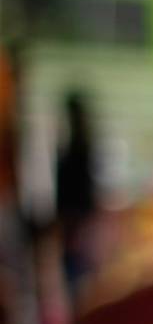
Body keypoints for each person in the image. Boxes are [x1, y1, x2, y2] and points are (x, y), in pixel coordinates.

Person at [55, 91, 99, 307]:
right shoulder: (79, 149)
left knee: (77, 278)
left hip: (77, 222)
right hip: (75, 223)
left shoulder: (79, 151)